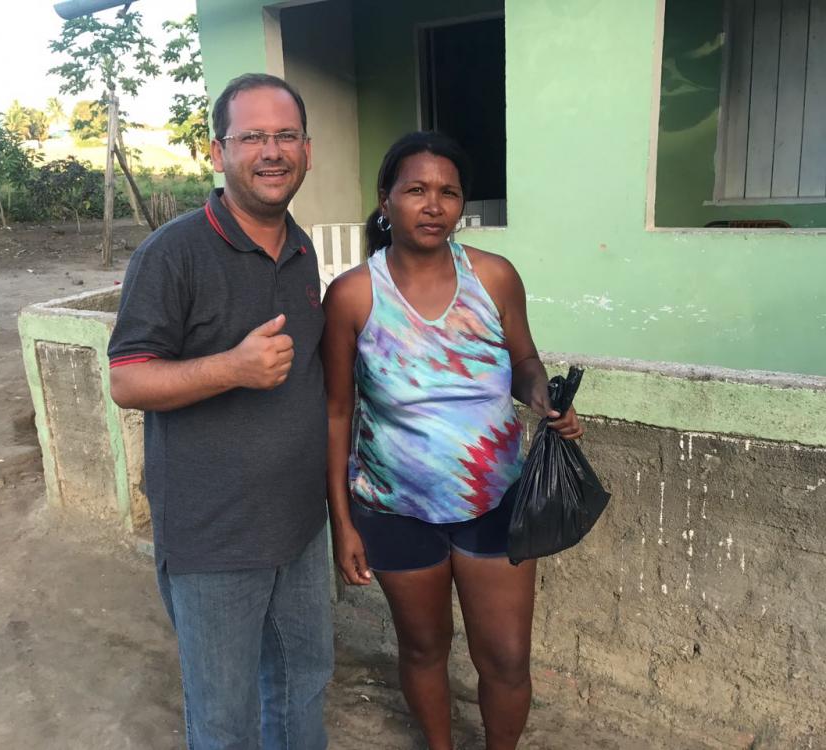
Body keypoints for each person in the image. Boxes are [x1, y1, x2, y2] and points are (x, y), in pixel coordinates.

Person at [322, 131, 583, 750]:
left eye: (448, 192)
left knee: (508, 658)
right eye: (415, 190)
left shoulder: (493, 278)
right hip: (394, 510)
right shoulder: (354, 295)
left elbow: (524, 360)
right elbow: (335, 412)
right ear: (386, 201)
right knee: (422, 648)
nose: (433, 205)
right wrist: (343, 522)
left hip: (495, 504)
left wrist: (543, 397)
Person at [107, 73, 332, 750]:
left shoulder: (300, 248)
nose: (272, 151)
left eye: (285, 135)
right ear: (217, 152)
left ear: (307, 151)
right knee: (225, 721)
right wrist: (230, 368)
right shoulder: (172, 254)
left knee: (302, 687)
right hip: (213, 540)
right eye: (252, 137)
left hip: (300, 528)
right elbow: (126, 379)